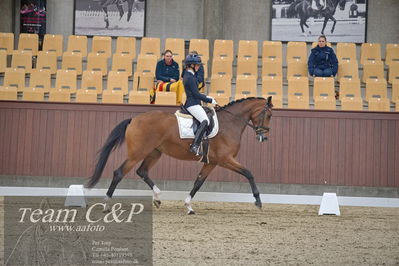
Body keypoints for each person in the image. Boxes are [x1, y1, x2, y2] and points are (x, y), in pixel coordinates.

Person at [183, 54, 217, 156]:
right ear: (191, 65)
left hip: (194, 102)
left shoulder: (189, 75)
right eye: (197, 65)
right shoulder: (190, 77)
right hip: (192, 104)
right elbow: (196, 94)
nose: (199, 66)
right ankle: (195, 145)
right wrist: (209, 99)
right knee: (205, 120)